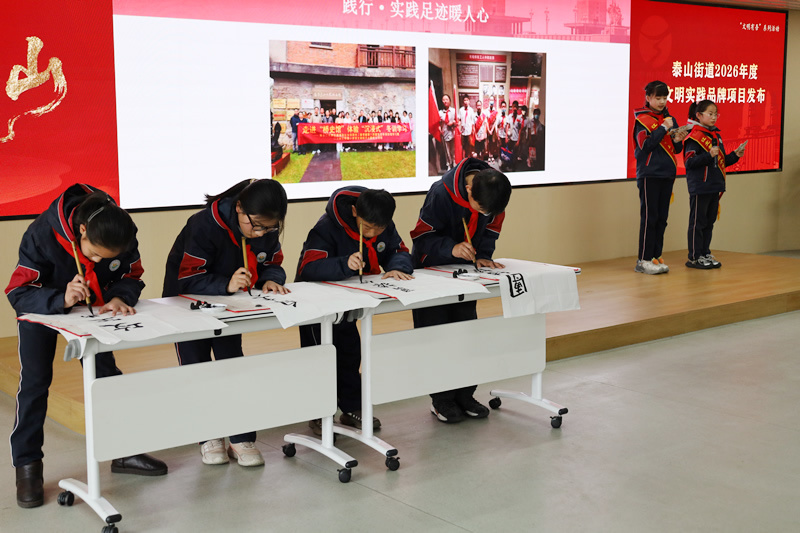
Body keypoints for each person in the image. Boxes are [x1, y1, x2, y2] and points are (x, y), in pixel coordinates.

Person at [5, 184, 168, 508]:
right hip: (42, 309)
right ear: (81, 230)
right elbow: (18, 292)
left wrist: (120, 296)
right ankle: (27, 467)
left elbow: (132, 275)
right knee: (35, 384)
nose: (97, 261)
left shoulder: (121, 232)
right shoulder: (41, 233)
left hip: (94, 313)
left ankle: (124, 452)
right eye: (93, 254)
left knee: (107, 377)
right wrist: (61, 298)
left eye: (106, 258)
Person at [162, 179, 289, 467]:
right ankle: (208, 436)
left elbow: (272, 262)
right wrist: (226, 284)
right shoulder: (203, 225)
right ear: (239, 207)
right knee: (197, 368)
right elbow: (188, 278)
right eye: (256, 226)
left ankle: (241, 437)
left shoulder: (265, 227)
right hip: (187, 304)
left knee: (232, 365)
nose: (260, 233)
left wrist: (271, 279)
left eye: (269, 228)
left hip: (229, 306)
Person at [296, 187, 413, 435]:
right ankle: (319, 413)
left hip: (349, 303)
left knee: (350, 353)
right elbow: (309, 268)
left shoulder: (382, 223)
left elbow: (398, 251)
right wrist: (344, 264)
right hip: (317, 307)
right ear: (353, 211)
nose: (372, 234)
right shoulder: (327, 227)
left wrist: (397, 266)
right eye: (367, 227)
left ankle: (351, 408)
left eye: (378, 229)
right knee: (321, 357)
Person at [410, 158, 512, 423]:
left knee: (466, 335)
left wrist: (484, 255)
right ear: (468, 190)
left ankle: (465, 395)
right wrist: (451, 248)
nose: (486, 214)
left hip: (465, 274)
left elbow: (491, 230)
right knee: (437, 337)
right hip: (431, 272)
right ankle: (441, 400)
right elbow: (421, 237)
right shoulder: (441, 193)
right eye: (480, 209)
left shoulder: (493, 194)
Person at [632, 80, 688, 274]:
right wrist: (663, 128)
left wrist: (678, 139)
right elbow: (645, 146)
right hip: (649, 174)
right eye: (658, 98)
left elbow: (677, 149)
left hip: (667, 173)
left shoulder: (669, 118)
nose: (662, 101)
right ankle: (643, 260)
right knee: (650, 217)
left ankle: (655, 257)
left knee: (662, 218)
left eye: (665, 97)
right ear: (648, 98)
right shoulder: (642, 120)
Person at [683, 100, 746, 269]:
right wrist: (708, 155)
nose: (713, 117)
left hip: (714, 185)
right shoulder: (694, 136)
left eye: (715, 114)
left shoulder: (715, 135)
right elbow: (689, 162)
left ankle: (705, 253)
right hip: (700, 186)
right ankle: (695, 257)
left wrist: (735, 155)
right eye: (710, 114)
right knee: (697, 223)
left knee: (709, 223)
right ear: (698, 115)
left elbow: (720, 162)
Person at [439, 94, 457, 171]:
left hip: (452, 133)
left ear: (450, 101)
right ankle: (449, 164)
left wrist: (453, 122)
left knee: (453, 150)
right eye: (443, 100)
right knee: (447, 151)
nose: (445, 101)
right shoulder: (440, 112)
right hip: (445, 134)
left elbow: (457, 121)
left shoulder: (453, 111)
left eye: (446, 99)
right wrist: (440, 130)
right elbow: (438, 123)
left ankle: (454, 163)